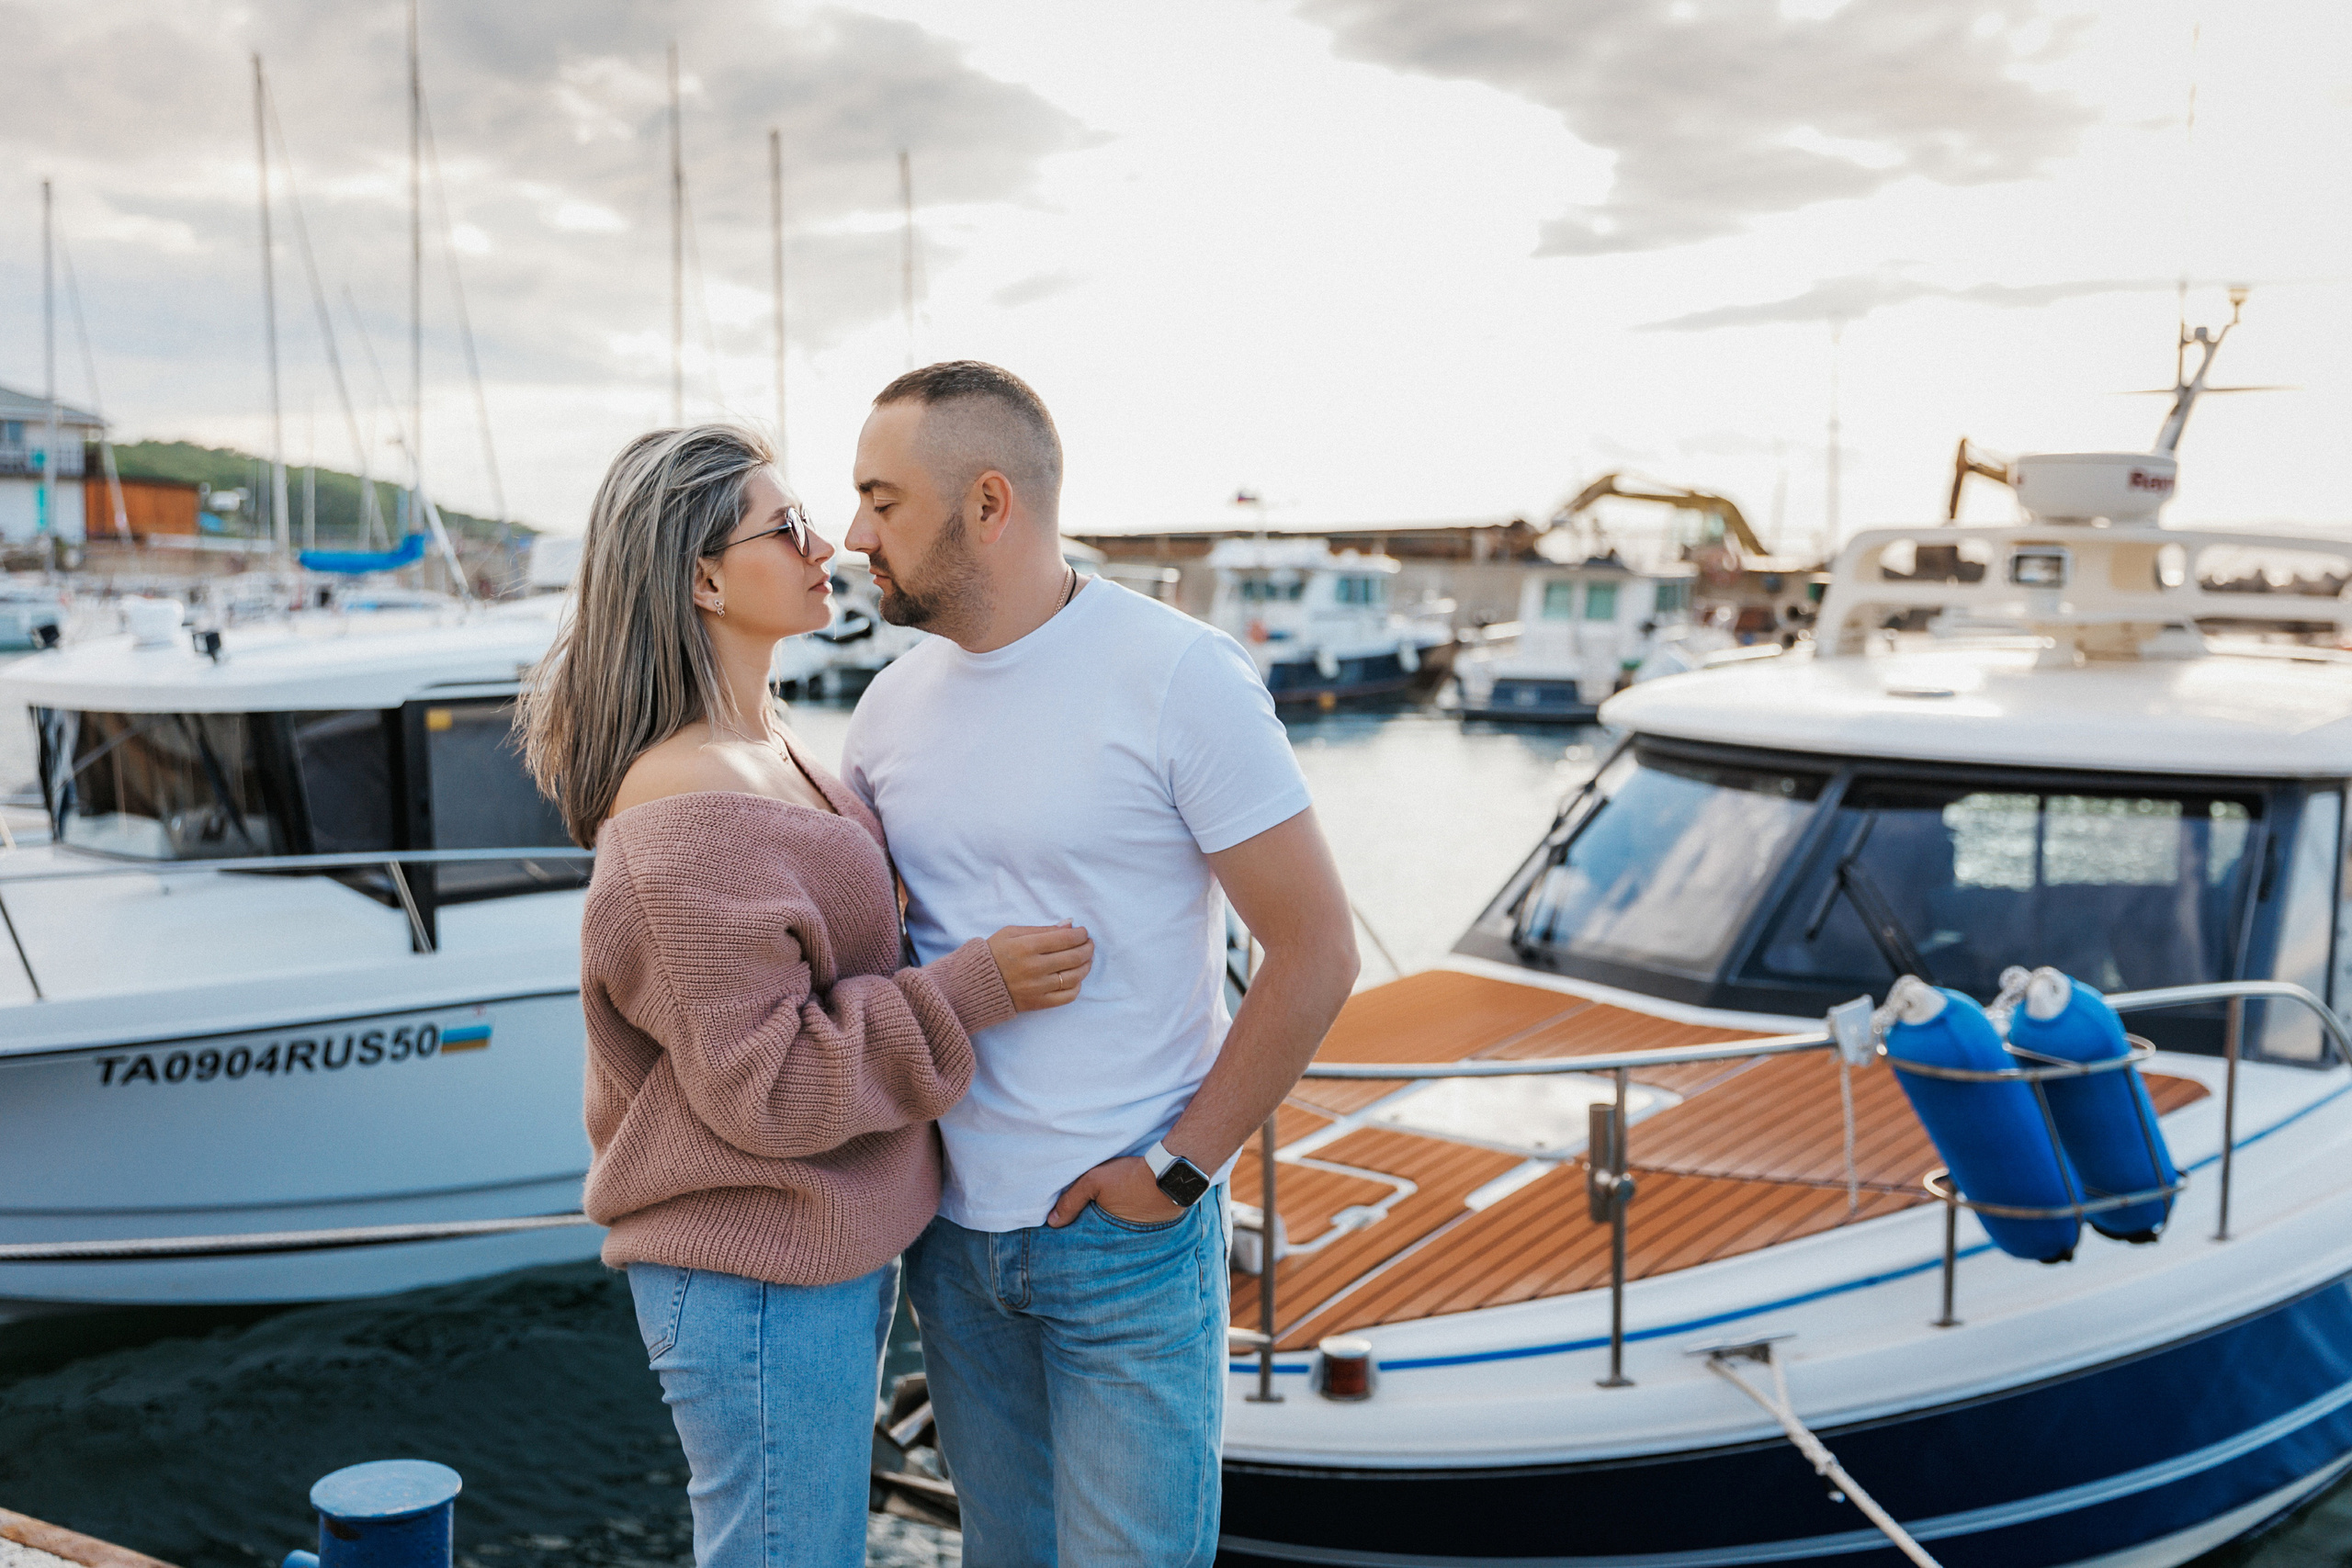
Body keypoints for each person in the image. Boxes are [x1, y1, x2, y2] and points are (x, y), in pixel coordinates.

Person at [515, 423, 1096, 1568]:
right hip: (753, 1276)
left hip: (804, 1258)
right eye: (785, 528)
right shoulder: (685, 807)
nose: (824, 541)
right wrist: (971, 991)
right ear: (702, 575)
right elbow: (771, 1088)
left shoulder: (769, 747)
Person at [840, 364, 1360, 1566]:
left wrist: (1179, 1170)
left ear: (986, 503)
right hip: (954, 1243)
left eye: (882, 499)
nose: (857, 533)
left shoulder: (1179, 675)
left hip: (1125, 1242)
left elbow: (1317, 949)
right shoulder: (884, 709)